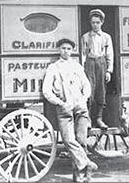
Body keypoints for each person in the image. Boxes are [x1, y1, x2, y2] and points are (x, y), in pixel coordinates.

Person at [43, 38, 97, 182]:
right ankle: (88, 164)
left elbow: (87, 85)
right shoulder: (53, 67)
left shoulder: (77, 67)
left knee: (81, 141)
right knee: (68, 140)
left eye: (69, 49)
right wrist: (60, 103)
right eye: (63, 48)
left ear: (72, 50)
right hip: (64, 109)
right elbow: (46, 91)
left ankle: (82, 176)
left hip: (80, 108)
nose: (66, 51)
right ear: (59, 50)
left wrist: (83, 99)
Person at [81, 9, 113, 129]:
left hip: (101, 63)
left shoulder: (106, 37)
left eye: (98, 22)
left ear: (102, 23)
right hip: (89, 63)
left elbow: (110, 54)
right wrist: (82, 70)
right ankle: (88, 119)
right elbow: (83, 54)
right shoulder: (85, 37)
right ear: (90, 22)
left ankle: (99, 118)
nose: (95, 25)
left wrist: (109, 70)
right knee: (89, 91)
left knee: (101, 90)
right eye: (93, 22)